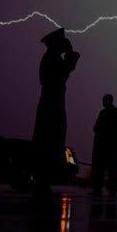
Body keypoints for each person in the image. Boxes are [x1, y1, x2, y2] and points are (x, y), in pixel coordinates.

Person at [32, 28, 80, 197]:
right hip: (52, 103)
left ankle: (43, 180)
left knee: (51, 139)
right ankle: (42, 180)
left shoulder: (50, 58)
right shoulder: (52, 59)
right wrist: (71, 53)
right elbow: (65, 72)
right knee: (51, 139)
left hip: (52, 102)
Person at [91, 94, 117, 197]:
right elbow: (96, 127)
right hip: (102, 145)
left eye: (104, 100)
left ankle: (110, 189)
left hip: (110, 146)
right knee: (101, 169)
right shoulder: (103, 113)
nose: (103, 102)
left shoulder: (115, 112)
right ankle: (98, 188)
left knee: (111, 169)